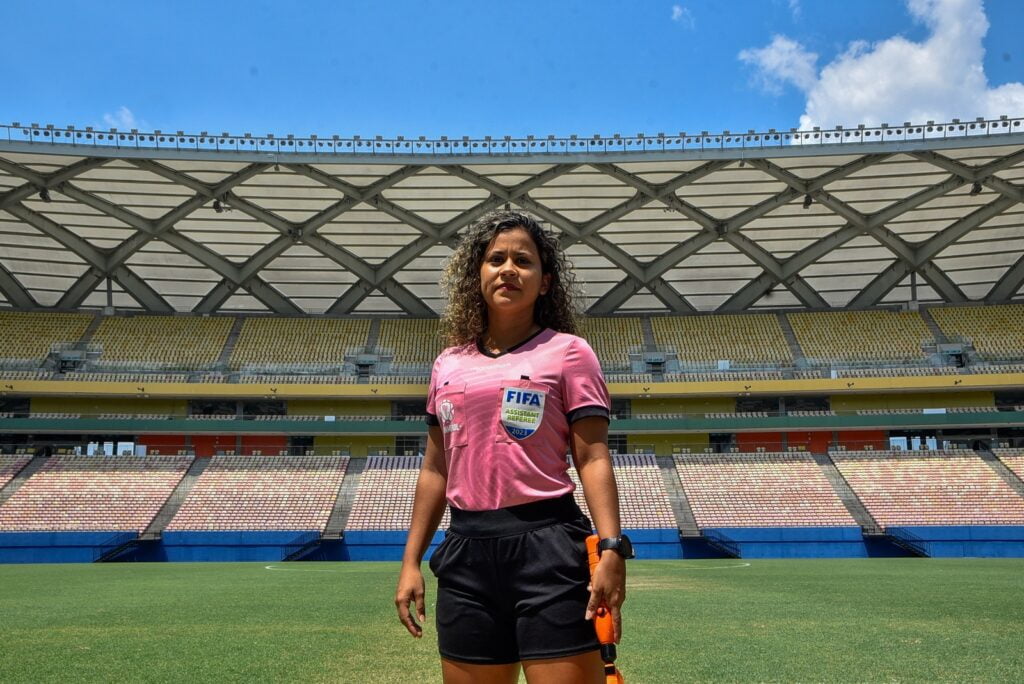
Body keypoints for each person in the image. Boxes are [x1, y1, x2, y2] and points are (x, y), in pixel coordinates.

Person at [395, 210, 630, 684]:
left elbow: (592, 457)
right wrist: (410, 563)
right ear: (476, 275)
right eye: (495, 258)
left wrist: (611, 549)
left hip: (550, 548)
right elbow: (435, 469)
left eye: (523, 260)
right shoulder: (447, 364)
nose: (508, 269)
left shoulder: (568, 352)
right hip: (466, 554)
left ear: (545, 282)